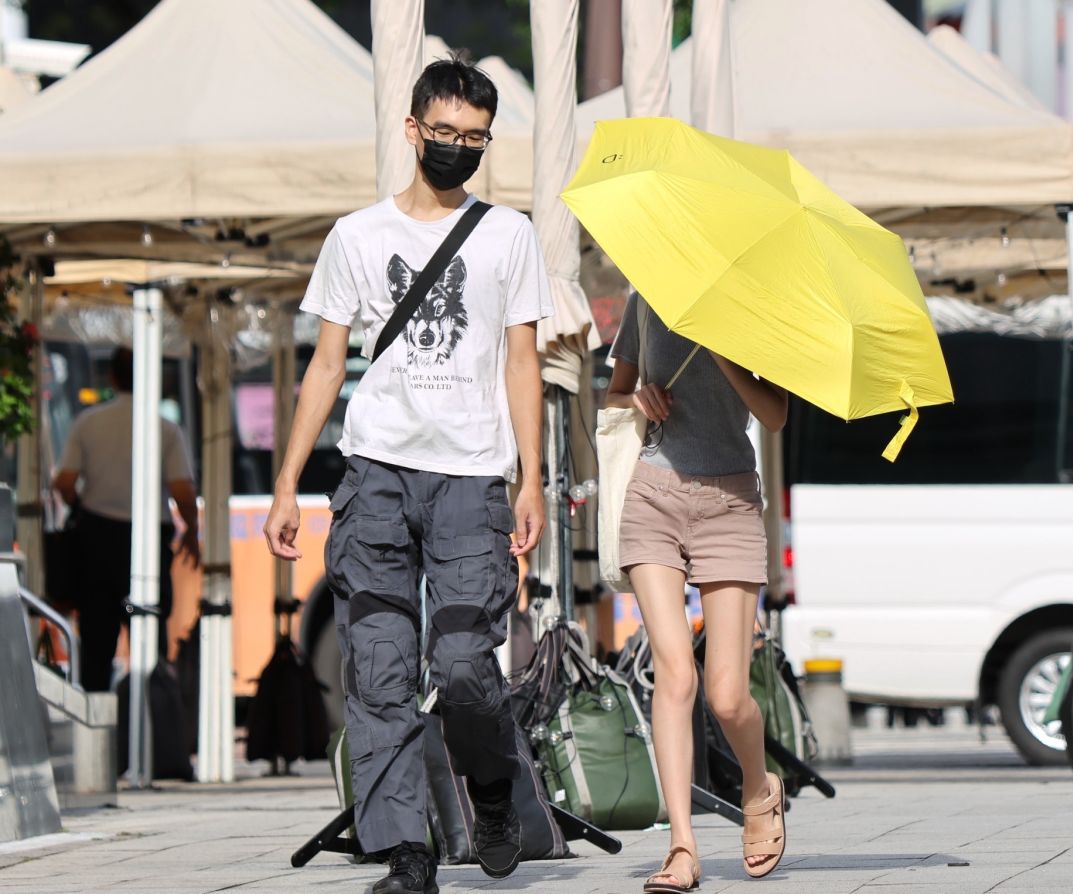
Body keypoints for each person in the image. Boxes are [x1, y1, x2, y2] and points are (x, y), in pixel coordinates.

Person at [264, 57, 550, 894]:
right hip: (377, 474)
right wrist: (287, 483)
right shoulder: (357, 236)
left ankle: (491, 789)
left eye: (476, 138)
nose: (459, 148)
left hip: (470, 480)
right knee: (379, 670)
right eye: (447, 133)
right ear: (413, 129)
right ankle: (407, 853)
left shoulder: (509, 236)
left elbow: (522, 364)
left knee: (465, 662)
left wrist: (529, 479)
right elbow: (324, 369)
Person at [607, 293, 789, 892]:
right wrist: (639, 398)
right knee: (675, 673)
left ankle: (759, 786)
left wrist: (723, 350)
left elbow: (776, 414)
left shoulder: (757, 305)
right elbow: (616, 393)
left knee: (729, 695)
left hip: (730, 502)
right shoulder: (647, 297)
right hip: (653, 492)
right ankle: (681, 845)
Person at [52, 346, 200, 693]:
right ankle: (150, 730)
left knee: (97, 647)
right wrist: (191, 531)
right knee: (149, 638)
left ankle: (97, 737)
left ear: (113, 377)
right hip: (147, 541)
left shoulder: (88, 421)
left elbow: (64, 482)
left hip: (96, 538)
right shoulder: (165, 428)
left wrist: (81, 504)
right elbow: (182, 490)